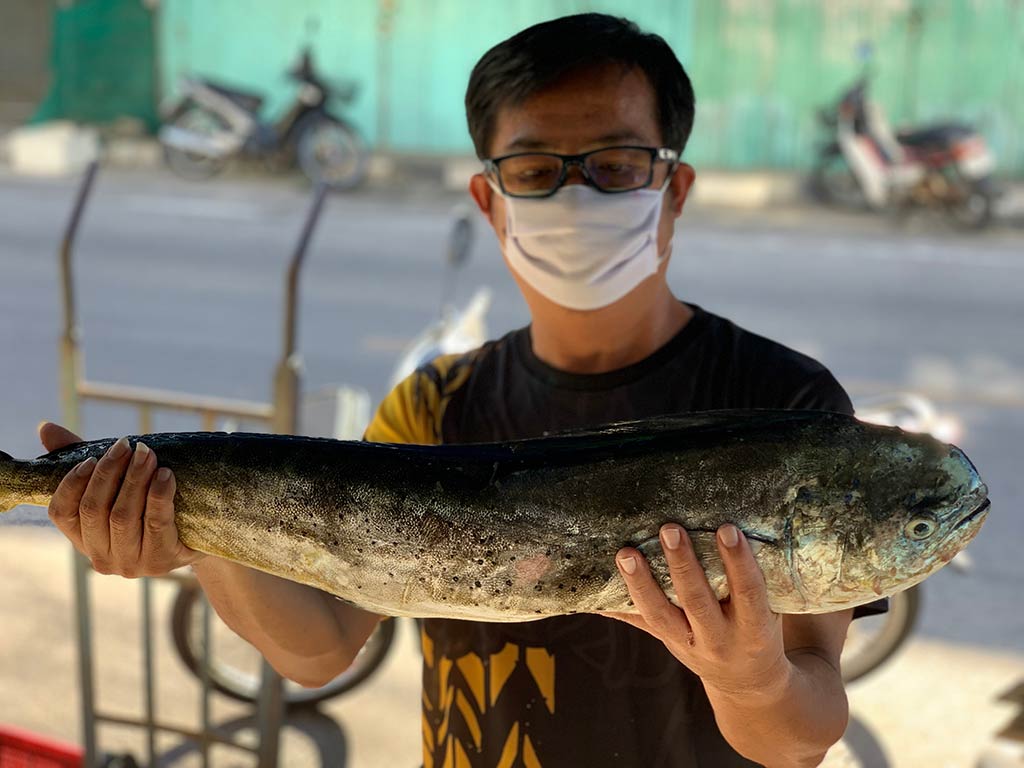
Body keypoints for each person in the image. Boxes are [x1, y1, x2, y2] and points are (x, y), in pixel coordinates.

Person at [40, 14, 885, 768]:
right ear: (489, 198)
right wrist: (197, 530)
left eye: (617, 165)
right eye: (535, 168)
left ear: (676, 190)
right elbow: (322, 648)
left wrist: (754, 680)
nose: (576, 193)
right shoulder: (431, 406)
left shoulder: (791, 411)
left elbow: (801, 738)